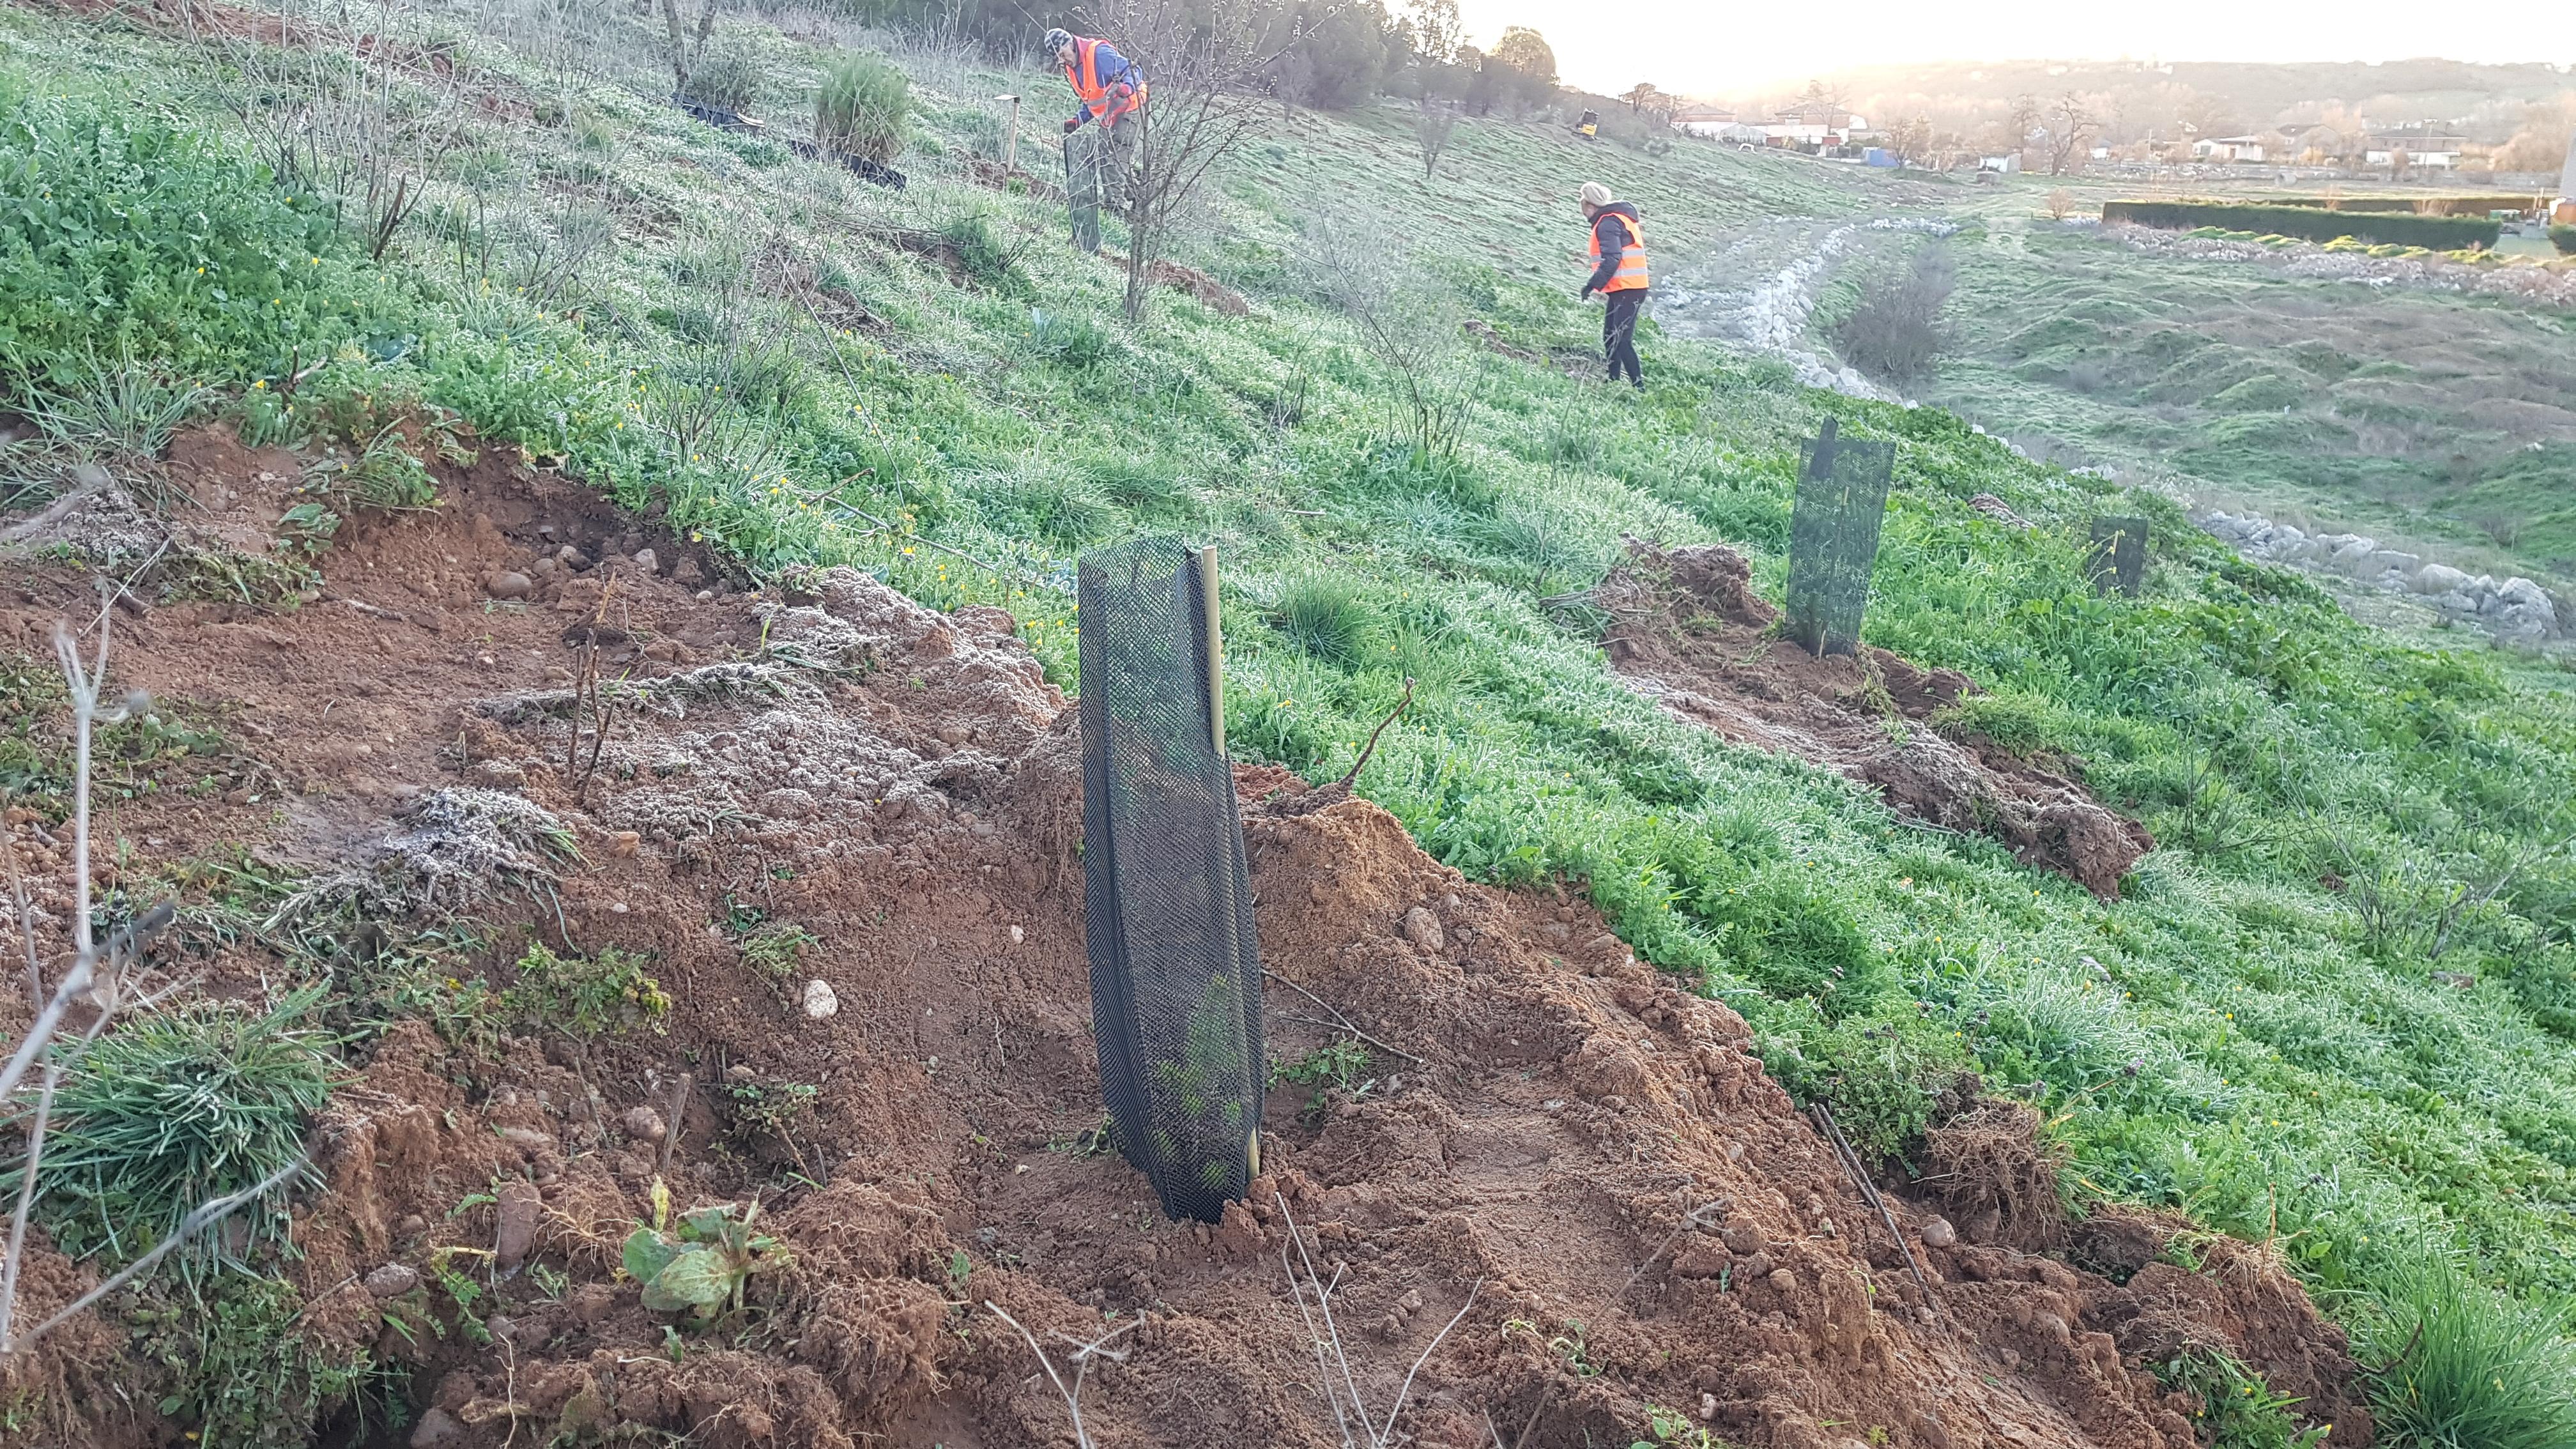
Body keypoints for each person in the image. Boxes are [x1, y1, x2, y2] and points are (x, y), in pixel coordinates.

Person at [1046, 27, 1147, 252]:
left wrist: (1126, 87)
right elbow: (1092, 100)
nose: (1063, 61)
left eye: (1063, 54)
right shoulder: (1072, 69)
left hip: (1129, 107)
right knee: (1110, 155)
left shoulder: (1099, 54)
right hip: (1110, 112)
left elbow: (1134, 70)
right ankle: (1140, 197)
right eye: (1058, 58)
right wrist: (1078, 121)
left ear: (1072, 44)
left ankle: (1116, 209)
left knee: (1113, 157)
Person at [1576, 181, 1649, 389]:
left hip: (1629, 288)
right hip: (1625, 287)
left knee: (1621, 339)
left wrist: (1591, 285)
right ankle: (1613, 379)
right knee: (1611, 336)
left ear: (1589, 206)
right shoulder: (1618, 218)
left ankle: (1639, 387)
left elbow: (1612, 259)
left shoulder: (1608, 223)